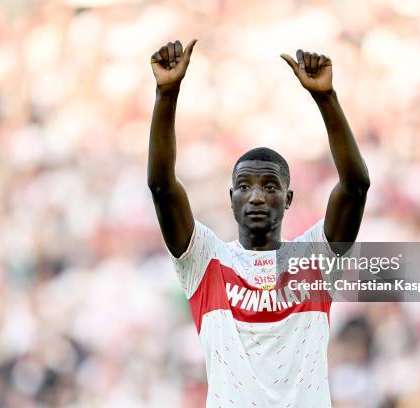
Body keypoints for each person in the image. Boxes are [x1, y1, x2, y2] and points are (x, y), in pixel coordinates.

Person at [148, 39, 369, 407]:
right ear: (230, 198)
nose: (255, 196)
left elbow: (355, 186)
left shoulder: (317, 258)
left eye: (270, 186)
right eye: (244, 186)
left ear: (289, 199)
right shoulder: (204, 260)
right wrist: (166, 92)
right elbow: (162, 186)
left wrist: (326, 98)